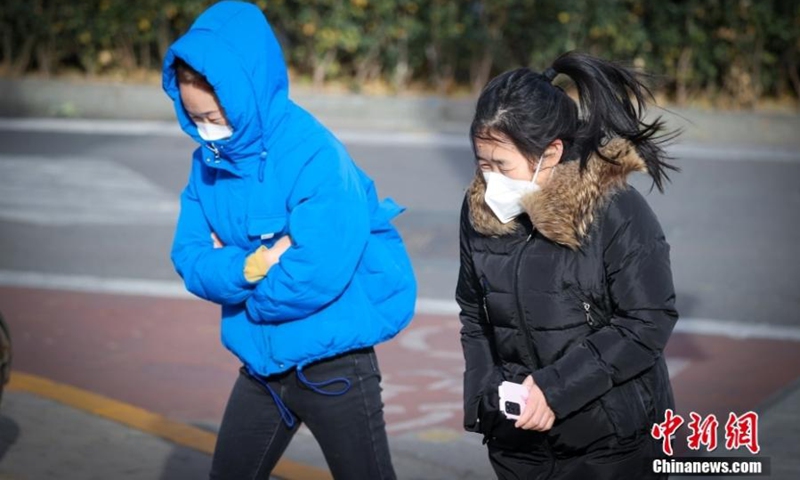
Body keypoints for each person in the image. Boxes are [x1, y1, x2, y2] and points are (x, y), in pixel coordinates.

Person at [161, 2, 416, 479]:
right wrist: (252, 267)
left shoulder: (314, 153)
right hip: (261, 367)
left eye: (214, 115)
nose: (206, 131)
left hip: (334, 365)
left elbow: (316, 268)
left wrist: (247, 299)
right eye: (194, 118)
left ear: (248, 93)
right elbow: (190, 258)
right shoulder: (207, 162)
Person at [456, 51, 679, 480]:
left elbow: (647, 320)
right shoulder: (478, 210)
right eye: (482, 163)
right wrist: (484, 401)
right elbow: (473, 312)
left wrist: (554, 391)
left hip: (612, 447)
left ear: (551, 152)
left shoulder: (614, 209)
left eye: (501, 165)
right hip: (519, 445)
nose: (489, 179)